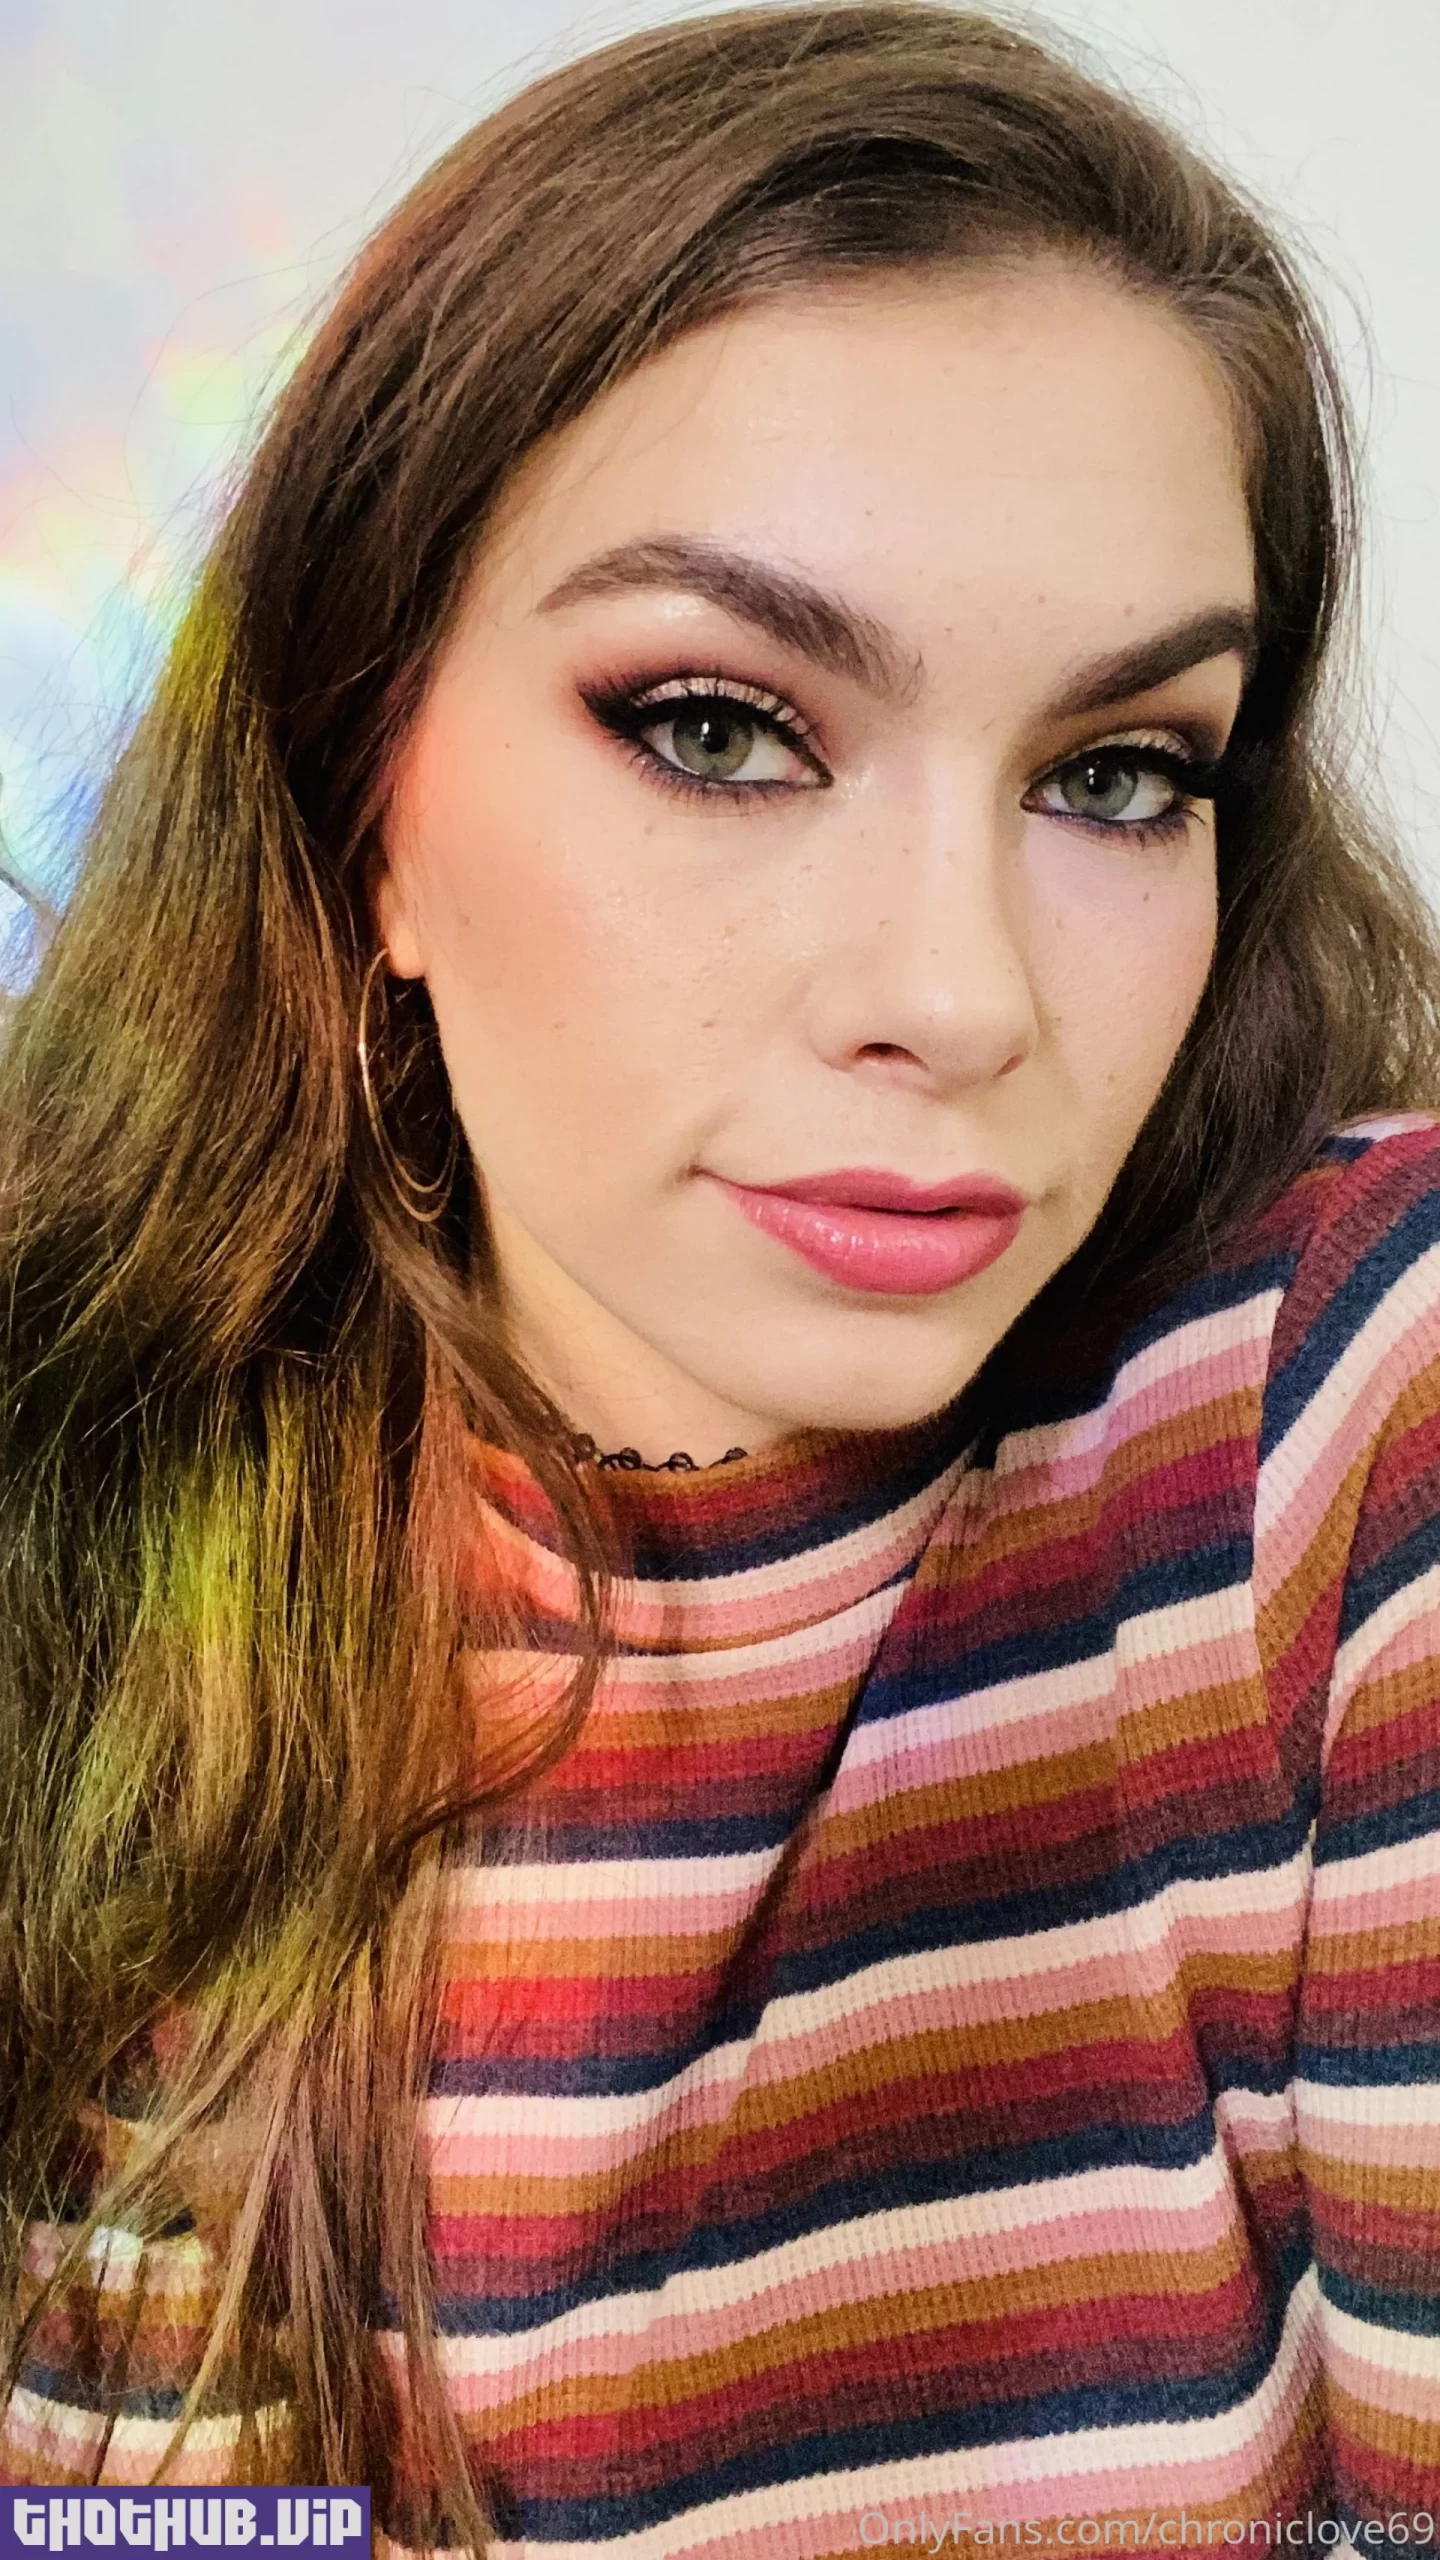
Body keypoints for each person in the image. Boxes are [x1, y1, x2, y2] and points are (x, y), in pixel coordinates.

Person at [3, 2, 1440, 2549]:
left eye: (1119, 773)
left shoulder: (1347, 1442)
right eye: (717, 725)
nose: (965, 995)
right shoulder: (79, 1567)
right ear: (367, 804)